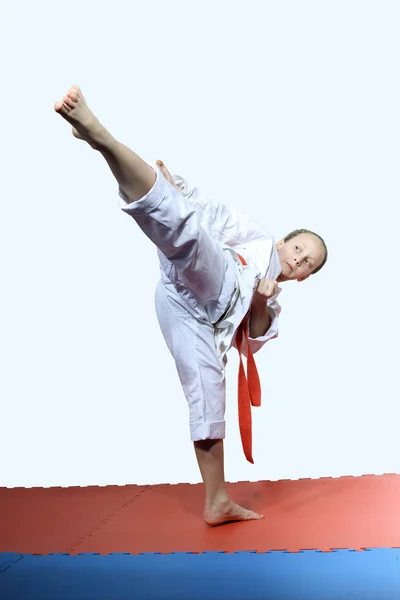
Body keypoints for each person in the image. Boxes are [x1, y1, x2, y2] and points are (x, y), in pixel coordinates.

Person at [54, 85, 327, 527]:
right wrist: (178, 187)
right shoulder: (258, 239)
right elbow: (214, 216)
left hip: (196, 315)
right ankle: (100, 136)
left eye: (306, 262)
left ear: (304, 277)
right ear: (284, 241)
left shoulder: (275, 306)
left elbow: (254, 339)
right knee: (186, 226)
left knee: (207, 395)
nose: (298, 259)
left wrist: (262, 297)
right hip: (211, 276)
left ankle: (217, 502)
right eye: (298, 248)